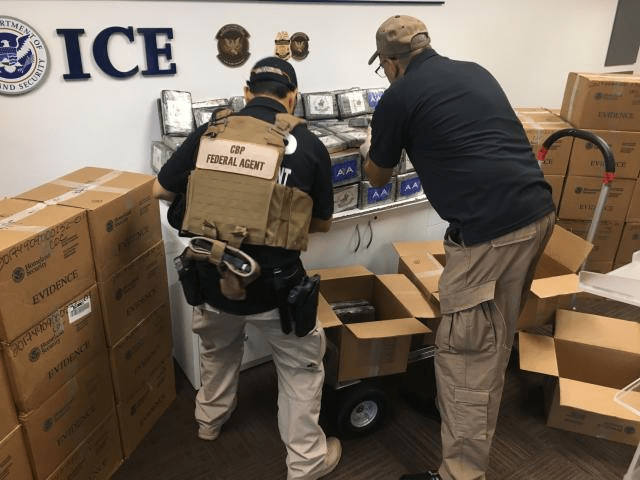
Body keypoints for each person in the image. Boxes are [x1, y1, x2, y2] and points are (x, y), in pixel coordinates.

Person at [360, 15, 556, 480]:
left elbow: (378, 176)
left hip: (492, 235)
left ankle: (460, 472)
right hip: (538, 213)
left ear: (391, 62)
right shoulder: (474, 71)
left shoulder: (398, 96)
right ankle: (461, 407)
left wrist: (371, 144)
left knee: (467, 356)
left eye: (383, 67)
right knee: (492, 333)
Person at [153, 56, 340, 480]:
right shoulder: (308, 143)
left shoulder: (212, 131)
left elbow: (159, 189)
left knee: (217, 352)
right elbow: (322, 224)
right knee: (300, 372)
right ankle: (306, 463)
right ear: (292, 97)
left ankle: (209, 421)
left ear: (247, 92)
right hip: (276, 288)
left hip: (210, 276)